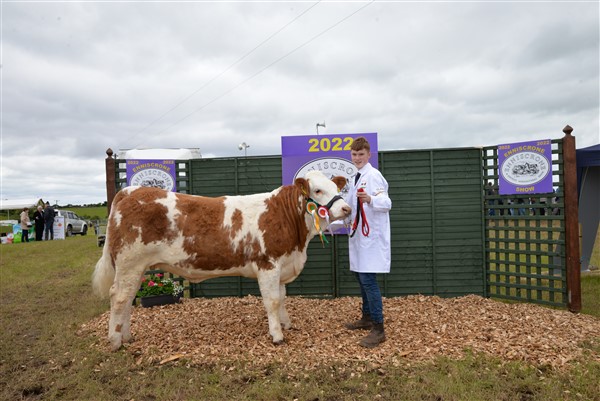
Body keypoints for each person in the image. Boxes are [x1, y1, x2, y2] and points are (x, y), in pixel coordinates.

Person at [342, 136, 392, 348]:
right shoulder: (356, 177)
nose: (357, 158)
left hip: (371, 238)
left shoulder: (374, 176)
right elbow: (350, 207)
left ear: (369, 155)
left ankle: (379, 329)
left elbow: (387, 202)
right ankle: (367, 317)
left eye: (361, 154)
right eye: (354, 154)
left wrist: (371, 199)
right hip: (359, 237)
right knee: (360, 276)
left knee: (368, 279)